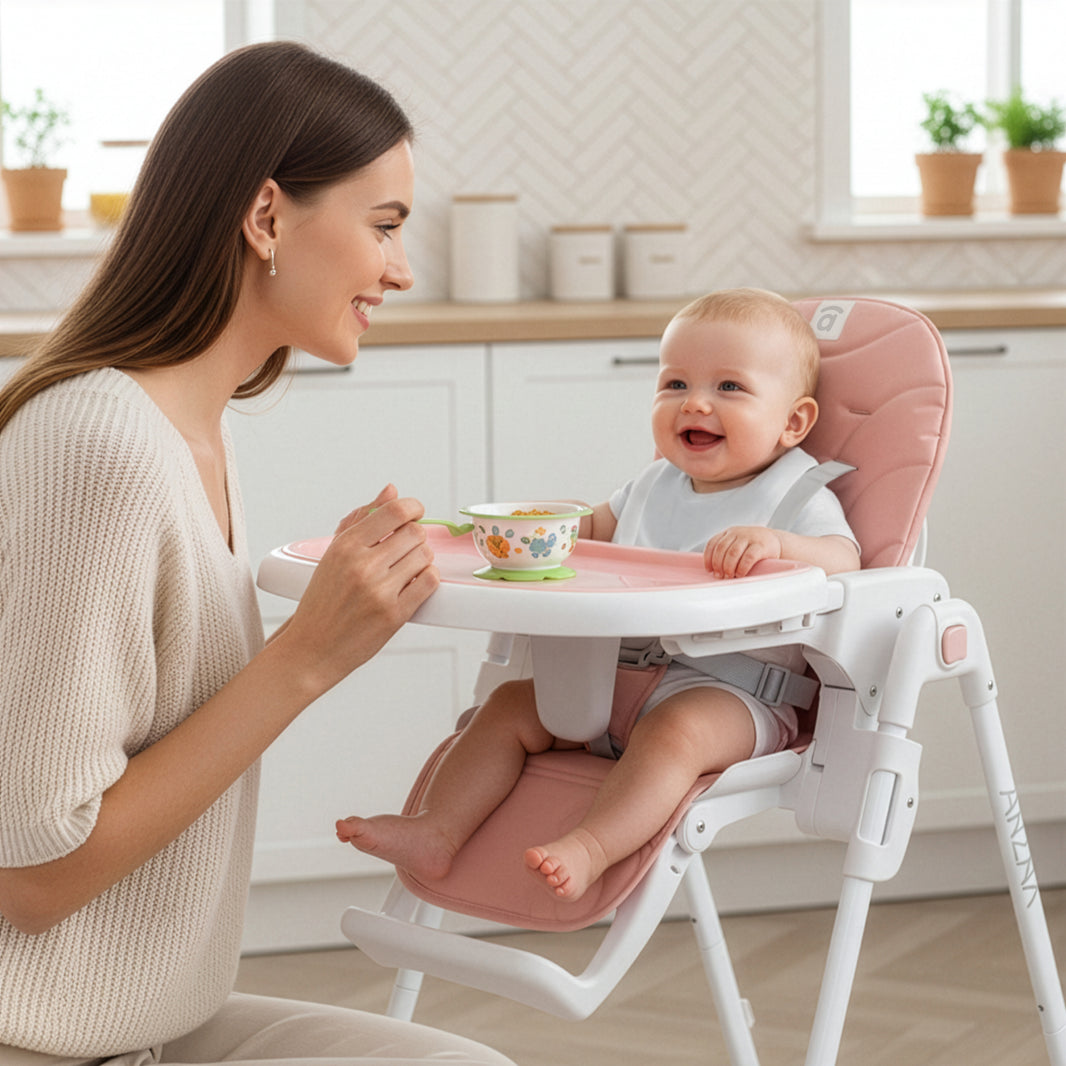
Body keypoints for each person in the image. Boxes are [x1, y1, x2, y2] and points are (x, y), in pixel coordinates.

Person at [0, 42, 514, 1066]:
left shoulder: (200, 426)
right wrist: (310, 653)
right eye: (384, 226)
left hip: (148, 1021)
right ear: (268, 215)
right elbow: (31, 874)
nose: (401, 270)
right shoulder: (98, 446)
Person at [337, 287, 861, 903]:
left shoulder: (798, 497)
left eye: (729, 388)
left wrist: (777, 545)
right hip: (611, 682)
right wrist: (503, 532)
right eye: (674, 384)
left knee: (677, 736)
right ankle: (437, 830)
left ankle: (590, 847)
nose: (695, 402)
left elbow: (845, 562)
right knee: (508, 708)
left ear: (793, 422)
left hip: (731, 695)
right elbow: (589, 534)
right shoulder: (654, 482)